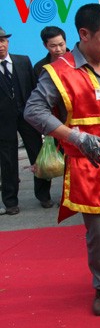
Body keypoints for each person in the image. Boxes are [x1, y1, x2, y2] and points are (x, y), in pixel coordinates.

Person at [24, 4, 100, 316]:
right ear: (84, 34)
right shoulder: (59, 71)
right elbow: (34, 111)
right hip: (86, 162)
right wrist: (76, 137)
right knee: (99, 233)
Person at [0, 26, 53, 216]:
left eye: (3, 41)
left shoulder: (23, 61)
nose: (1, 45)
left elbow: (34, 89)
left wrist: (40, 115)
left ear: (8, 42)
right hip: (3, 121)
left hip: (27, 115)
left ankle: (44, 195)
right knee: (7, 160)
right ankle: (10, 200)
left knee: (38, 154)